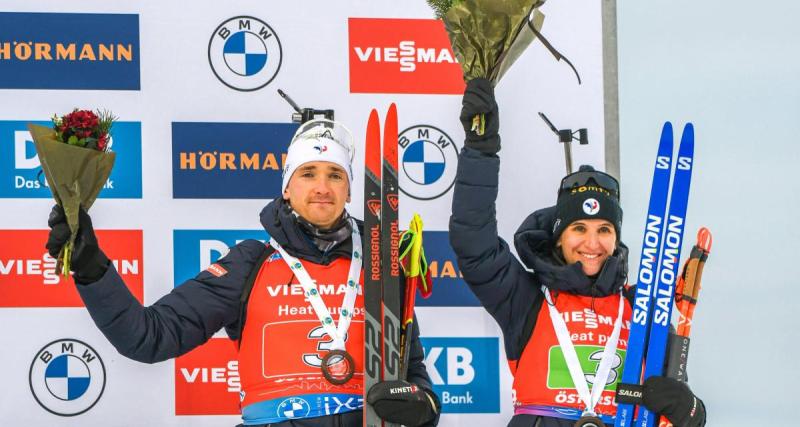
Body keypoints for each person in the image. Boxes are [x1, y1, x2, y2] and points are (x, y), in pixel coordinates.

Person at [46, 119, 440, 427]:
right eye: (308, 173)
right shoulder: (249, 264)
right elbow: (148, 337)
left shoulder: (380, 266)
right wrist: (90, 266)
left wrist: (423, 405)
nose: (322, 186)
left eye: (335, 175)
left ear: (351, 190)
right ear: (287, 187)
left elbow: (413, 373)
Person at [448, 78, 706, 427]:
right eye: (579, 229)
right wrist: (481, 149)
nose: (592, 243)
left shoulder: (641, 310)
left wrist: (690, 411)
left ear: (616, 239)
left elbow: (679, 402)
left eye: (604, 230)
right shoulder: (526, 300)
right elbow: (473, 242)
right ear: (558, 238)